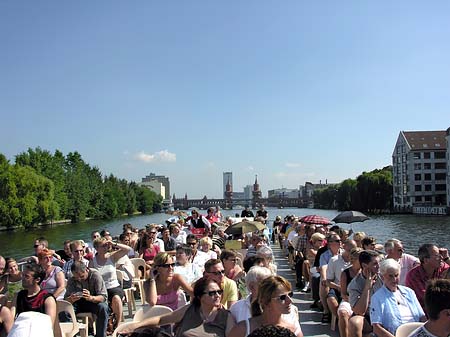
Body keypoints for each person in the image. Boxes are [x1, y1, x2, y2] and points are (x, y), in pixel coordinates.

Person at [116, 277, 235, 337]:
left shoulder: (226, 316)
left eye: (219, 292)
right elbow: (161, 319)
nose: (218, 295)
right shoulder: (190, 309)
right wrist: (136, 325)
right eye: (212, 293)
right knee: (150, 333)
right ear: (200, 296)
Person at [229, 275, 303, 337]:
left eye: (290, 295)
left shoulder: (294, 329)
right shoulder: (243, 329)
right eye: (282, 297)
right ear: (266, 302)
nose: (290, 301)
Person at [370, 258, 426, 336]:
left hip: (416, 333)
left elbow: (422, 317)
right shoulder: (377, 297)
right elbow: (376, 327)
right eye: (390, 276)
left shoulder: (409, 292)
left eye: (396, 275)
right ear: (382, 277)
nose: (394, 279)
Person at [89, 237, 132, 329]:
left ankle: (118, 324)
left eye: (107, 245)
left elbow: (128, 249)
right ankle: (102, 324)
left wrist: (113, 243)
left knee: (116, 298)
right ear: (96, 248)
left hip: (114, 286)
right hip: (100, 288)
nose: (106, 247)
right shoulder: (93, 261)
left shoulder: (112, 256)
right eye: (103, 245)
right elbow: (90, 278)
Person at [65, 261, 109, 337]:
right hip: (78, 303)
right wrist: (71, 299)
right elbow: (65, 299)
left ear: (87, 270)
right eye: (76, 278)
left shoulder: (95, 276)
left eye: (81, 277)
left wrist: (91, 297)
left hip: (93, 302)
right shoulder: (72, 280)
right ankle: (71, 334)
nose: (79, 280)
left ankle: (100, 335)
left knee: (103, 307)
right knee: (65, 310)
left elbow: (103, 297)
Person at [348, 250, 383, 337]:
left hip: (384, 313)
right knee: (355, 323)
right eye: (375, 264)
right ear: (364, 265)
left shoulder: (384, 277)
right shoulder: (354, 285)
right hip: (368, 316)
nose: (379, 266)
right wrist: (367, 287)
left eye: (379, 263)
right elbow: (359, 311)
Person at [11, 263, 57, 330]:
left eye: (26, 276)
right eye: (22, 275)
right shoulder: (18, 296)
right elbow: (11, 317)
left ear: (37, 280)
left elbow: (49, 325)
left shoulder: (48, 299)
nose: (22, 279)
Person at [405, 244, 450, 312]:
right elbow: (428, 299)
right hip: (424, 314)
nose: (441, 257)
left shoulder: (442, 267)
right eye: (437, 255)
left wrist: (447, 258)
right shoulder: (413, 276)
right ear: (426, 260)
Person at [337, 247, 362, 337]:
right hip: (349, 299)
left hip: (364, 300)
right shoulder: (345, 273)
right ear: (354, 260)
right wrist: (352, 301)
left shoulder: (366, 272)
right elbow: (343, 293)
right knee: (343, 313)